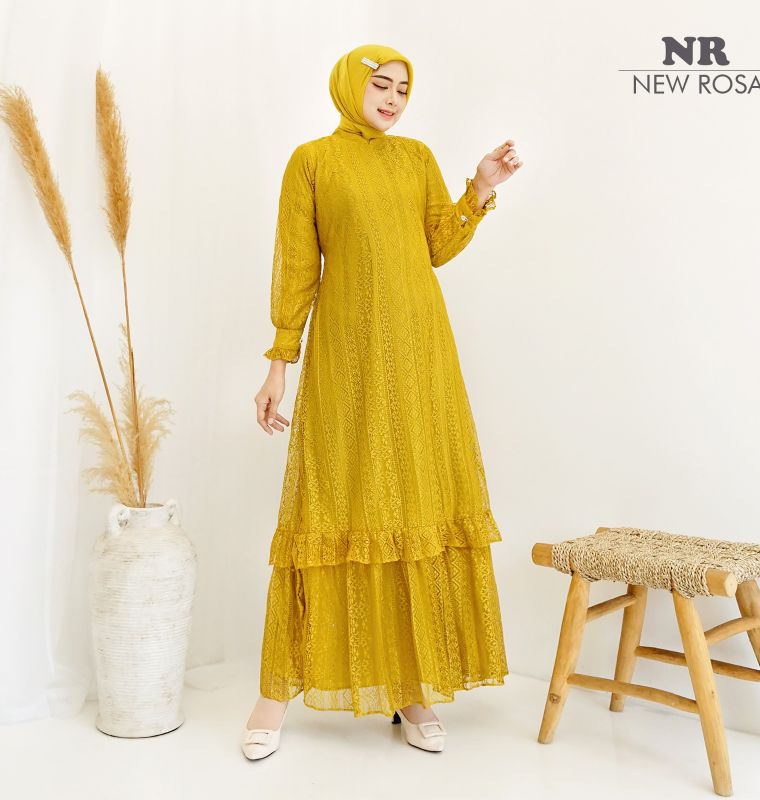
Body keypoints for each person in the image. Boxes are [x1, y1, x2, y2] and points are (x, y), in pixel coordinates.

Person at [243, 42, 523, 759]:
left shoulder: (417, 158)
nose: (393, 99)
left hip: (421, 354)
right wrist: (279, 364)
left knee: (413, 504)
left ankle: (409, 686)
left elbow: (436, 246)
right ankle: (274, 693)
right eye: (381, 85)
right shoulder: (312, 162)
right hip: (346, 355)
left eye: (402, 88)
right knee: (335, 500)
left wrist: (479, 189)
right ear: (349, 86)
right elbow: (297, 267)